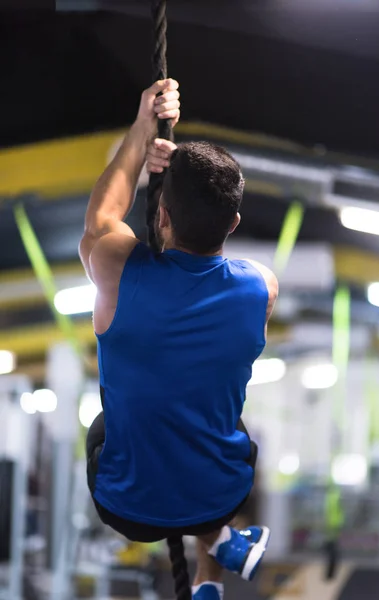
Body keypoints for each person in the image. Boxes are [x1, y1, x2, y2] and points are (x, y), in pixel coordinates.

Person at [79, 78, 279, 600]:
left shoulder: (116, 270)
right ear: (233, 222)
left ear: (161, 215)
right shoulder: (262, 287)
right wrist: (174, 178)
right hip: (220, 497)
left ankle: (221, 555)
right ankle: (215, 564)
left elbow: (102, 217)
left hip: (124, 506)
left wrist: (143, 129)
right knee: (213, 419)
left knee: (110, 423)